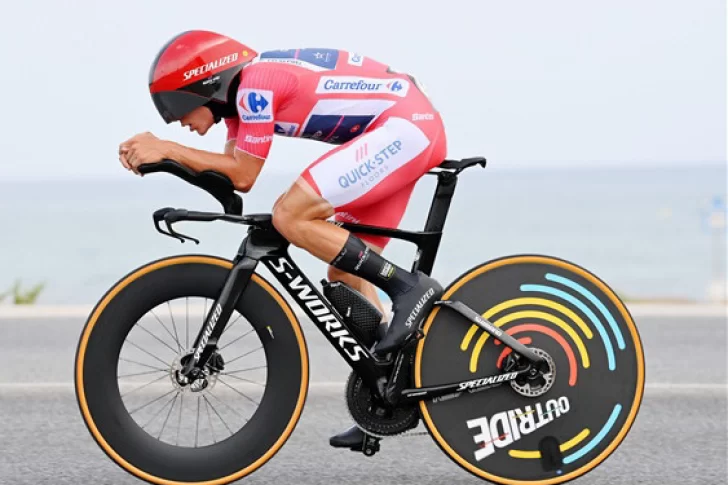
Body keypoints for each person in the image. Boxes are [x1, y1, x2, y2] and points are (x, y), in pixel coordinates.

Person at [118, 30, 446, 449]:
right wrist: (168, 161)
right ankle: (388, 391)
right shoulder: (239, 107)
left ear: (203, 85)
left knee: (290, 214)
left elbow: (244, 174)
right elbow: (230, 174)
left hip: (404, 128)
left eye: (173, 107)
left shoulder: (255, 86)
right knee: (345, 275)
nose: (176, 120)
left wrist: (167, 148)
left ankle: (408, 288)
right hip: (404, 128)